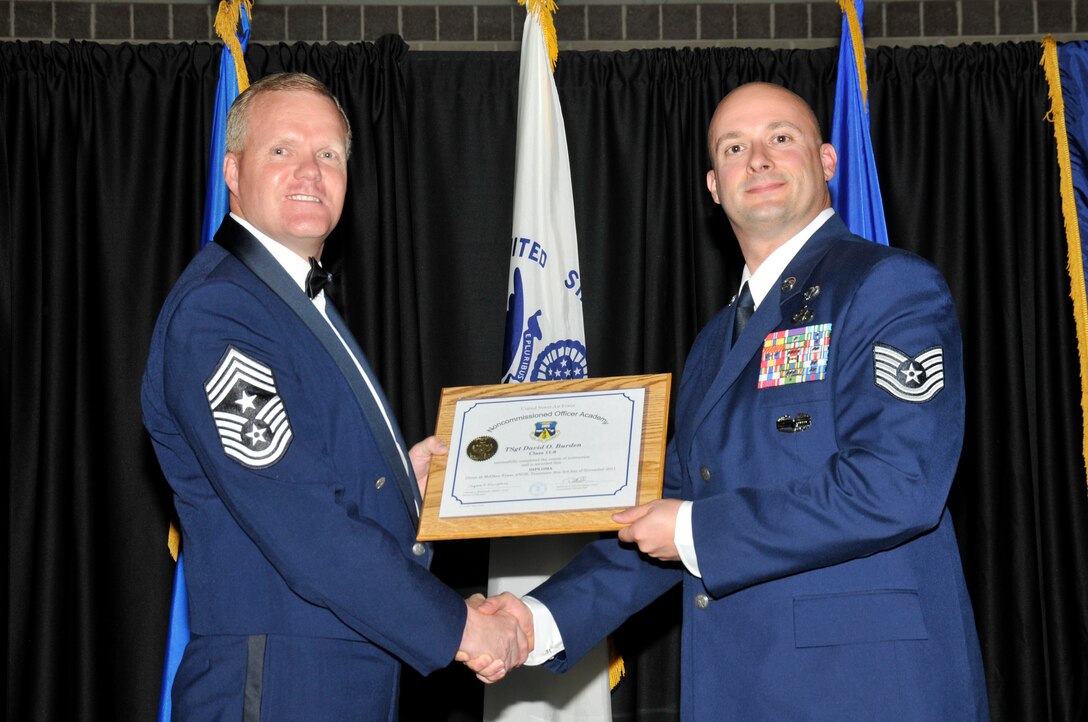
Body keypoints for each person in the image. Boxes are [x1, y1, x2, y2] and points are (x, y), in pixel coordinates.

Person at [480, 82, 990, 720]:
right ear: (714, 186)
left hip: (867, 687)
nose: (758, 159)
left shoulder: (887, 286)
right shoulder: (714, 344)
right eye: (734, 147)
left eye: (781, 138)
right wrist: (534, 619)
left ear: (827, 161)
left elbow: (898, 483)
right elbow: (656, 518)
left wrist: (693, 529)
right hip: (738, 688)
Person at [141, 72, 525, 720]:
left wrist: (400, 477)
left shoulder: (283, 300)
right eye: (282, 150)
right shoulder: (220, 314)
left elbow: (295, 474)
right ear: (233, 170)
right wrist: (462, 626)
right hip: (278, 685)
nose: (309, 173)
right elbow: (305, 527)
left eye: (329, 154)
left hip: (331, 673)